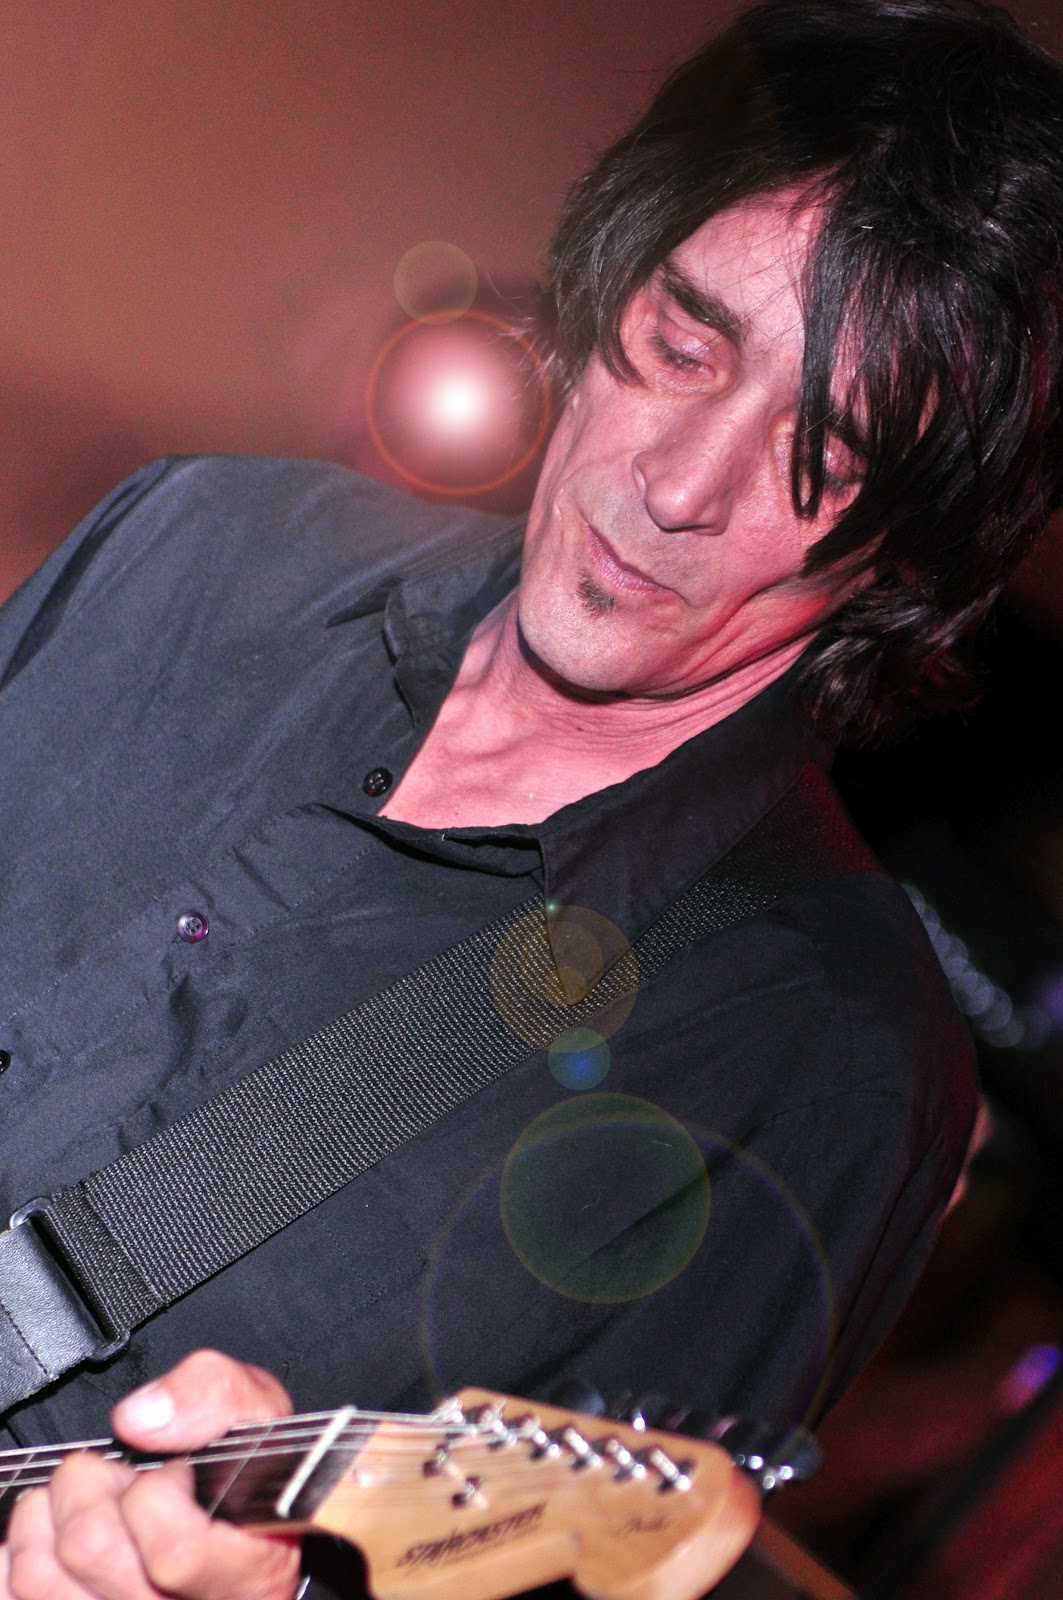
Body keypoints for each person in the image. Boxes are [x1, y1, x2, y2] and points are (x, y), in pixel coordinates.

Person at [1, 0, 1062, 1596]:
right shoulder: (203, 539)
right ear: (604, 282)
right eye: (682, 348)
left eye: (823, 461)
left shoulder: (823, 1055)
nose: (679, 485)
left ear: (904, 555)